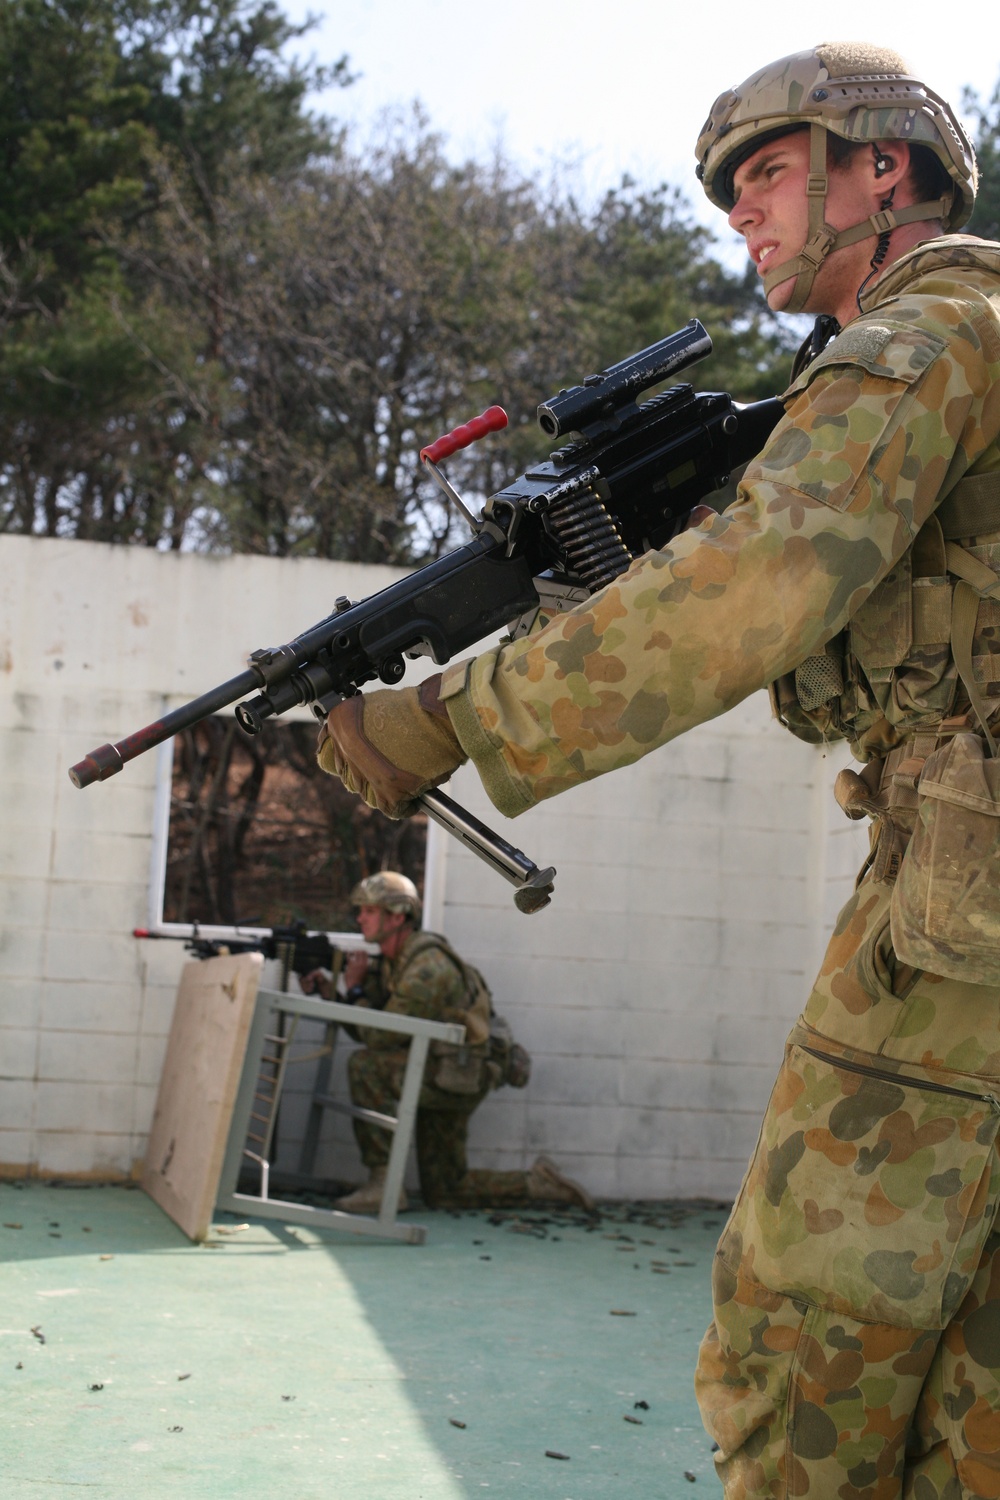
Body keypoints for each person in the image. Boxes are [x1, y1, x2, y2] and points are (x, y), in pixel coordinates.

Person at [314, 42, 1000, 1497]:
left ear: (883, 170)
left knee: (807, 1324)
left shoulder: (926, 338)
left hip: (967, 916)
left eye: (769, 171)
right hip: (960, 878)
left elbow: (753, 588)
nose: (741, 211)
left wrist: (444, 716)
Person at [301, 871, 593, 1215]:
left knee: (365, 1065)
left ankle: (383, 1185)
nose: (360, 918)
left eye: (369, 910)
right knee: (446, 1190)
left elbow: (380, 1037)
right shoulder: (398, 961)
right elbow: (372, 1028)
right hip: (447, 1070)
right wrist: (333, 995)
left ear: (397, 916)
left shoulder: (427, 967)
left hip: (456, 1076)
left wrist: (354, 989)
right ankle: (538, 1184)